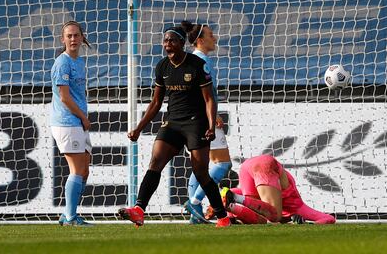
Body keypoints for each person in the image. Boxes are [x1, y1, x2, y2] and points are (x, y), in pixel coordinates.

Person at [118, 23, 231, 227]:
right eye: (165, 40)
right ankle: (138, 209)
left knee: (201, 173)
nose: (167, 44)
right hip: (173, 122)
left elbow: (209, 99)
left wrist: (211, 125)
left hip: (196, 123)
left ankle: (222, 216)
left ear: (181, 43)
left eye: (172, 40)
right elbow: (155, 102)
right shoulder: (162, 66)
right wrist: (138, 128)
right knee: (156, 162)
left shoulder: (197, 65)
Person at [180, 21, 232, 224]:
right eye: (211, 35)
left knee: (200, 167)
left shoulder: (191, 60)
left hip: (191, 119)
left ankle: (196, 215)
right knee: (222, 163)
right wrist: (213, 115)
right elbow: (199, 93)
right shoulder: (200, 61)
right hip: (203, 119)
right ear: (200, 40)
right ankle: (195, 201)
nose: (215, 38)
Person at [209, 155, 335, 225]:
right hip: (265, 165)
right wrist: (310, 225)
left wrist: (229, 213)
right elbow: (330, 218)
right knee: (274, 216)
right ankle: (234, 203)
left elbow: (234, 191)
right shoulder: (298, 207)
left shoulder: (268, 199)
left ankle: (230, 210)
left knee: (259, 216)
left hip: (247, 166)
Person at [50, 21, 92, 226]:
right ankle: (70, 217)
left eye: (76, 35)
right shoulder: (62, 63)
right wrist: (83, 117)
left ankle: (68, 213)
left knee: (85, 170)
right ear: (63, 39)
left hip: (77, 122)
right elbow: (64, 97)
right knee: (76, 169)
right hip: (67, 122)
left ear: (83, 37)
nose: (73, 39)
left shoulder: (80, 62)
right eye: (69, 36)